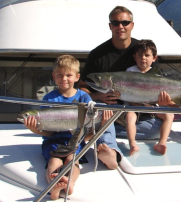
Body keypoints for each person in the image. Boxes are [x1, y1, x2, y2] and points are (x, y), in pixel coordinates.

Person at [23, 55, 117, 199]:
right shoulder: (48, 98)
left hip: (77, 141)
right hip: (53, 141)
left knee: (73, 160)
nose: (64, 79)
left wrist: (103, 123)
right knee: (54, 161)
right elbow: (47, 133)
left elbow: (90, 128)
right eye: (59, 75)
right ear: (53, 76)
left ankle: (70, 183)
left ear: (77, 77)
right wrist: (34, 129)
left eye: (68, 75)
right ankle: (54, 185)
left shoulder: (85, 98)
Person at [79, 6, 164, 142]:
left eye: (125, 22)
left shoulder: (143, 50)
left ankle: (103, 131)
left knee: (156, 129)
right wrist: (98, 95)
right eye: (115, 23)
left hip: (138, 111)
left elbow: (157, 82)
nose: (120, 26)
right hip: (107, 110)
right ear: (110, 26)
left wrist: (162, 100)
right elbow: (82, 87)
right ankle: (107, 133)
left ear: (132, 25)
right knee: (101, 115)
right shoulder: (97, 55)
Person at [125, 39, 176, 155]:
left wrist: (173, 104)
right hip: (135, 106)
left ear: (154, 58)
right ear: (134, 57)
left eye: (147, 55)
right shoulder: (129, 72)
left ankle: (162, 143)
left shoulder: (157, 76)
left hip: (153, 106)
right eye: (140, 55)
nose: (143, 58)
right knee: (129, 117)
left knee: (169, 115)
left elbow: (165, 96)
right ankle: (132, 143)